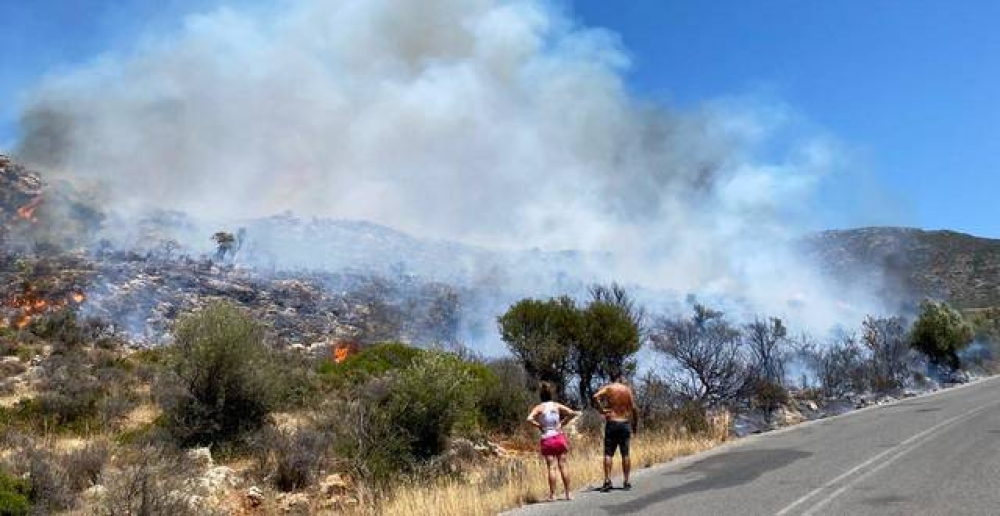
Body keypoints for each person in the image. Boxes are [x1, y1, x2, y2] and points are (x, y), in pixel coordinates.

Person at [526, 382, 580, 501]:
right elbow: (572, 413)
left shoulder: (539, 408)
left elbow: (529, 419)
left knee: (551, 467)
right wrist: (562, 423)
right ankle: (568, 494)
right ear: (551, 394)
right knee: (563, 465)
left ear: (541, 395)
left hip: (547, 438)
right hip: (558, 436)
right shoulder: (556, 405)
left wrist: (539, 425)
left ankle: (552, 495)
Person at [593, 375, 638, 492]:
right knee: (625, 454)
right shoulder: (627, 390)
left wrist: (601, 410)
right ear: (621, 380)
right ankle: (627, 481)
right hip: (624, 422)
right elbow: (634, 408)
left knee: (608, 454)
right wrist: (635, 425)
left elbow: (595, 396)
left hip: (612, 422)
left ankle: (607, 480)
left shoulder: (609, 388)